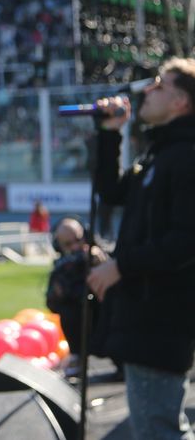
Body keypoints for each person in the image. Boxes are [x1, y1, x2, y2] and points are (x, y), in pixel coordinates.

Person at [87, 57, 195, 440]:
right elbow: (113, 191)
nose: (147, 90)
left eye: (160, 85)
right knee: (156, 425)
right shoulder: (161, 153)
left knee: (158, 429)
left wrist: (120, 266)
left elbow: (185, 243)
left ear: (181, 101)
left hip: (161, 320)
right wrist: (110, 133)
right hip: (147, 317)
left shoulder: (185, 157)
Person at [45, 216, 108, 377]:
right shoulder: (62, 268)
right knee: (68, 310)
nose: (75, 247)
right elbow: (52, 304)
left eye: (78, 240)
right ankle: (78, 357)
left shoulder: (99, 257)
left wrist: (101, 265)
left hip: (106, 322)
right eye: (68, 244)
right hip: (82, 327)